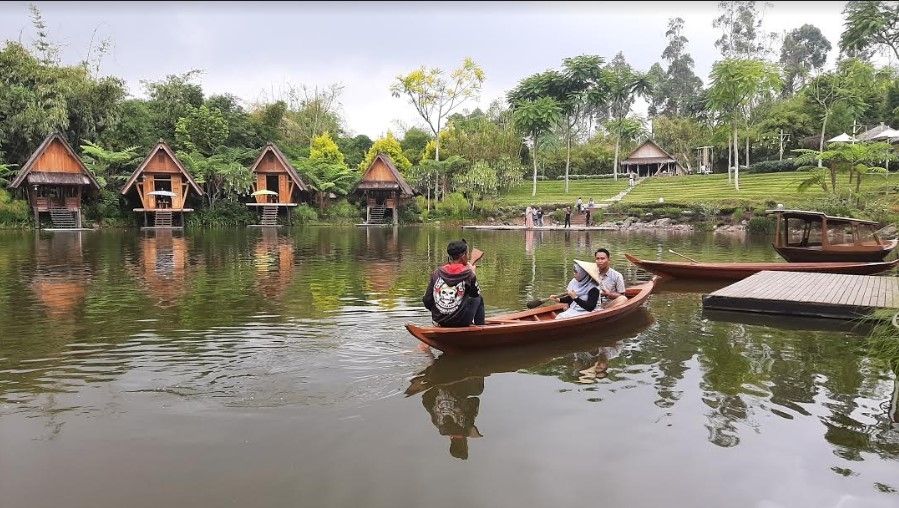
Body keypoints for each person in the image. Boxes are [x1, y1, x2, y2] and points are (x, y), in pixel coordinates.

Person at [423, 239, 485, 327]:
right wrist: (473, 274)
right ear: (463, 256)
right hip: (460, 322)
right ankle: (480, 331)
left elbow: (427, 300)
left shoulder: (436, 272)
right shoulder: (468, 274)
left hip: (439, 320)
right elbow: (474, 294)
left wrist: (440, 311)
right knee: (478, 298)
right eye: (467, 254)